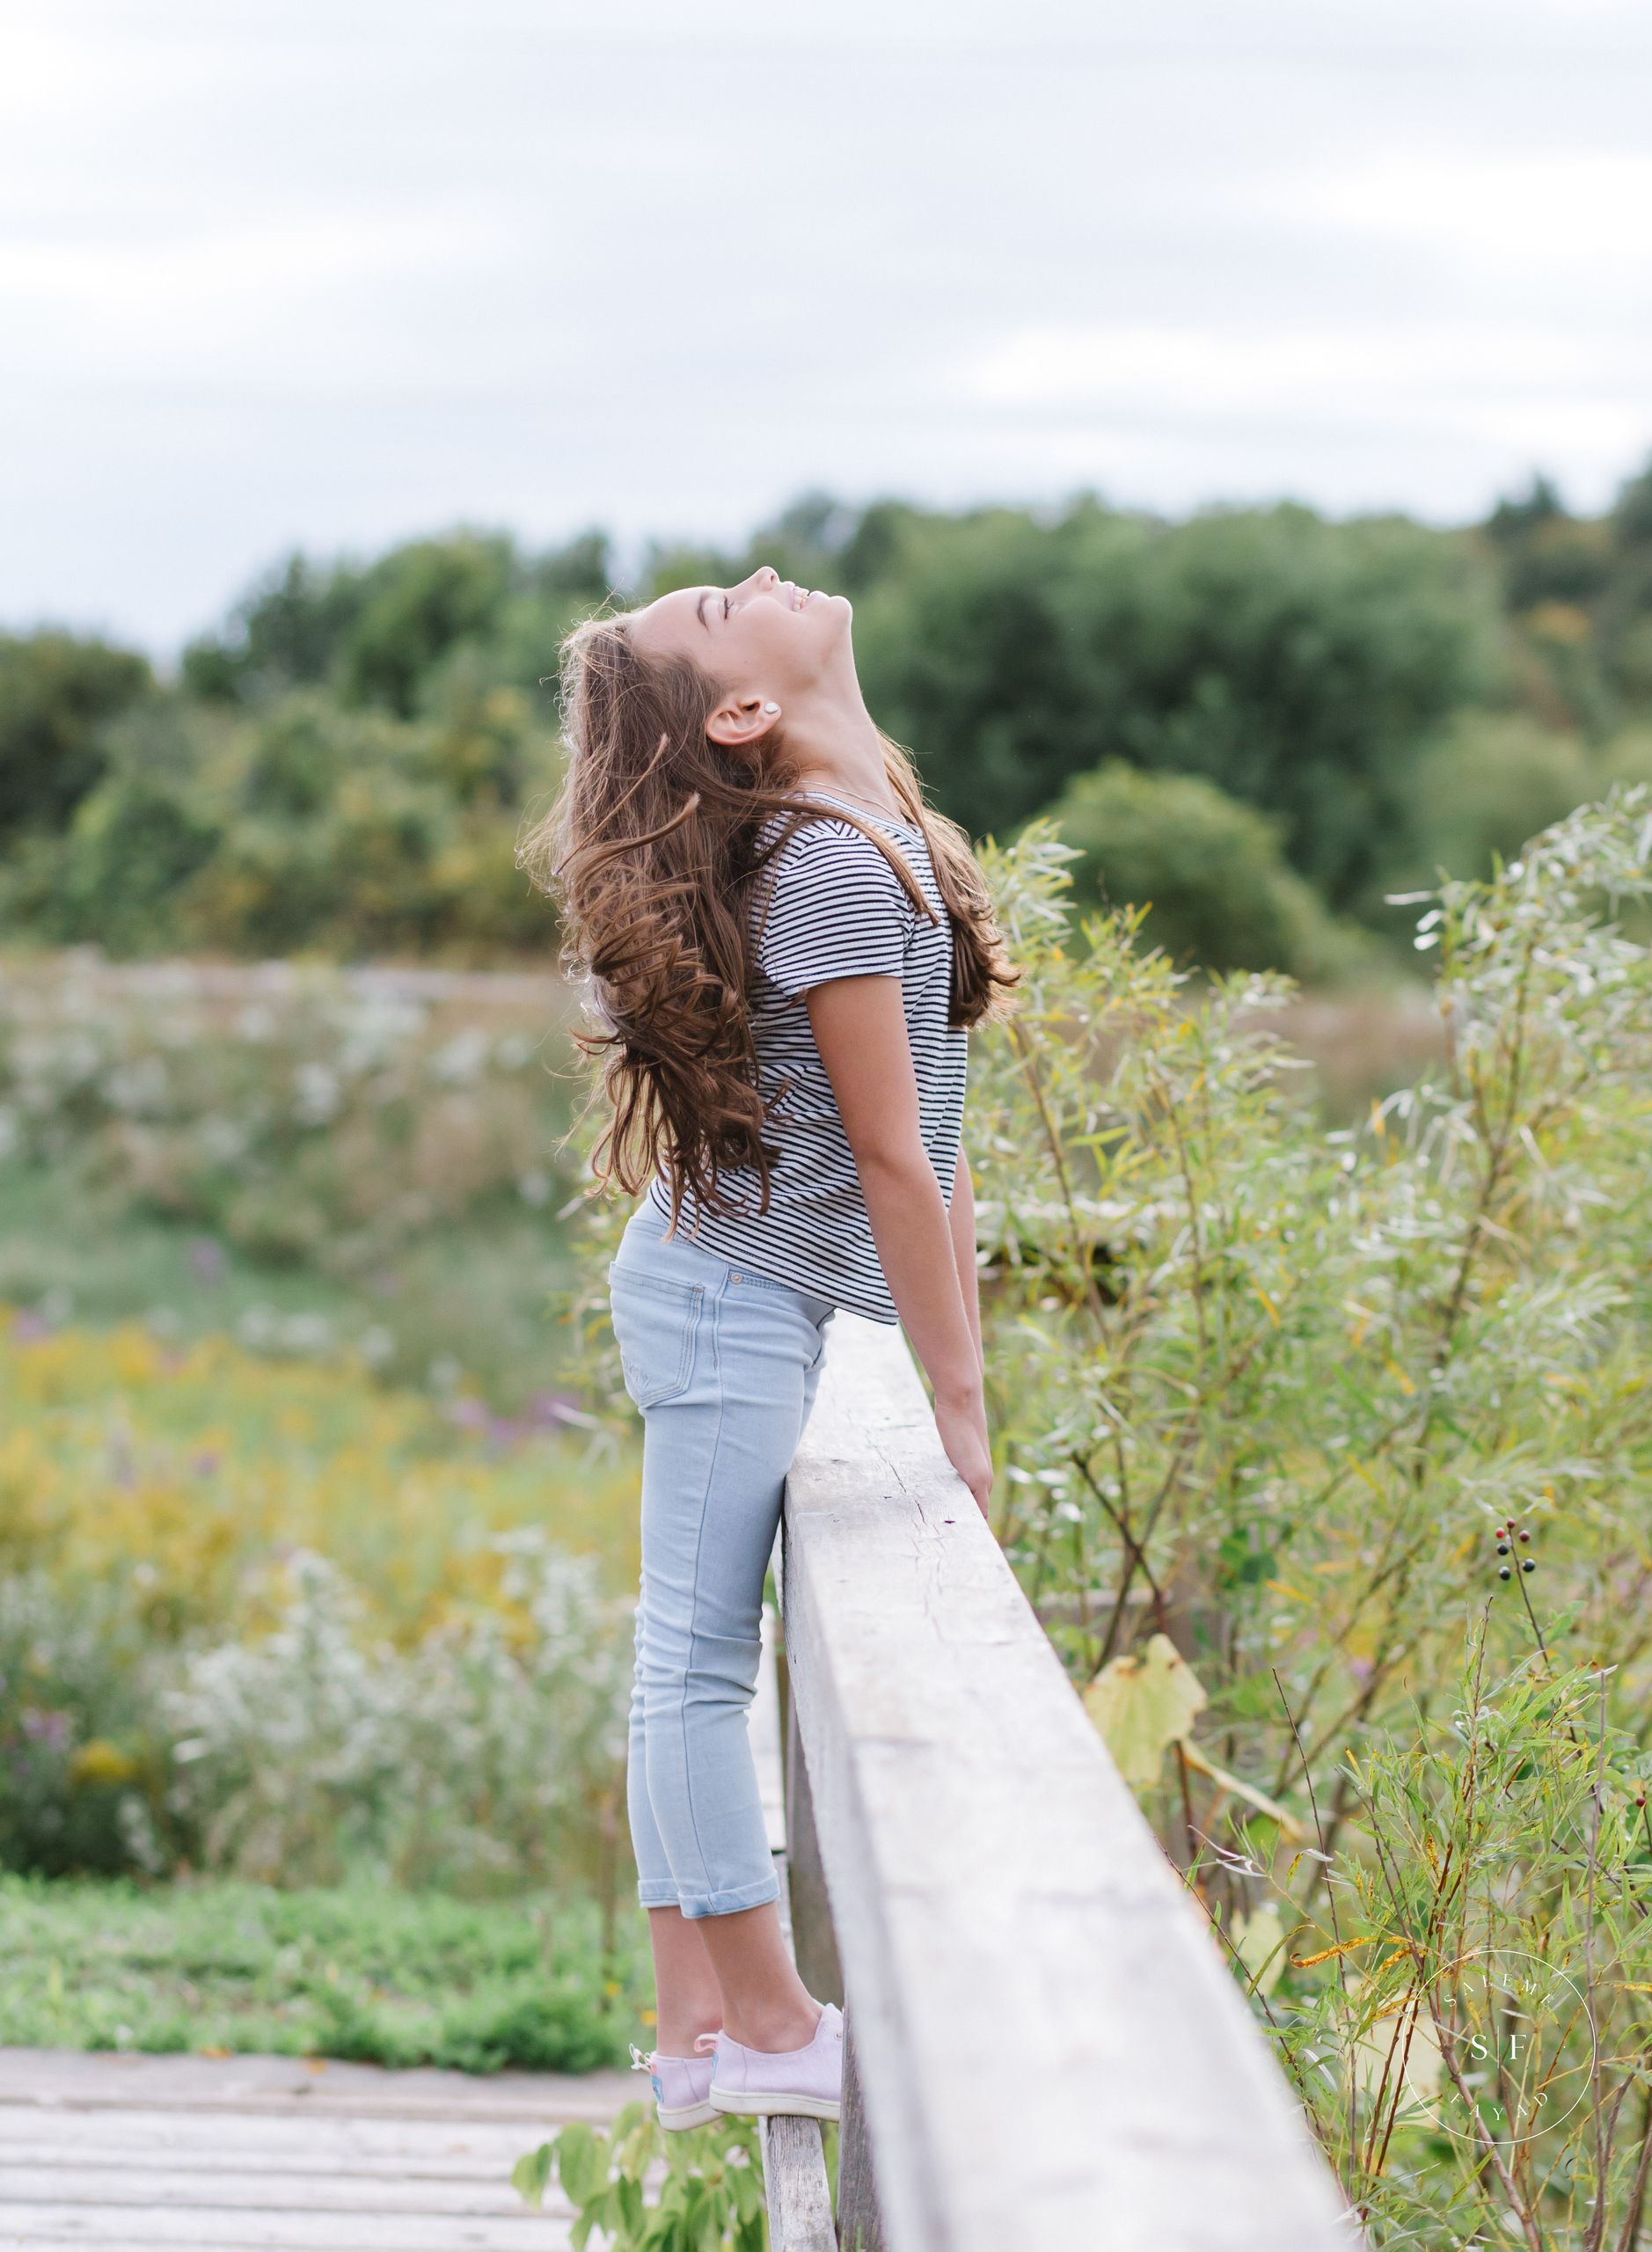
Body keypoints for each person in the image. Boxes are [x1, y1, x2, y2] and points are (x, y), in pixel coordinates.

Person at [522, 563, 1019, 2130]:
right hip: (722, 1297)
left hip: (740, 1291)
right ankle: (769, 2021)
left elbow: (937, 1143)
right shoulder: (831, 869)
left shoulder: (886, 842)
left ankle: (696, 2027)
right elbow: (887, 1162)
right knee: (693, 1658)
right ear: (741, 712)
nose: (757, 574)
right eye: (721, 606)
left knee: (690, 1654)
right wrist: (959, 1407)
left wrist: (965, 1378)